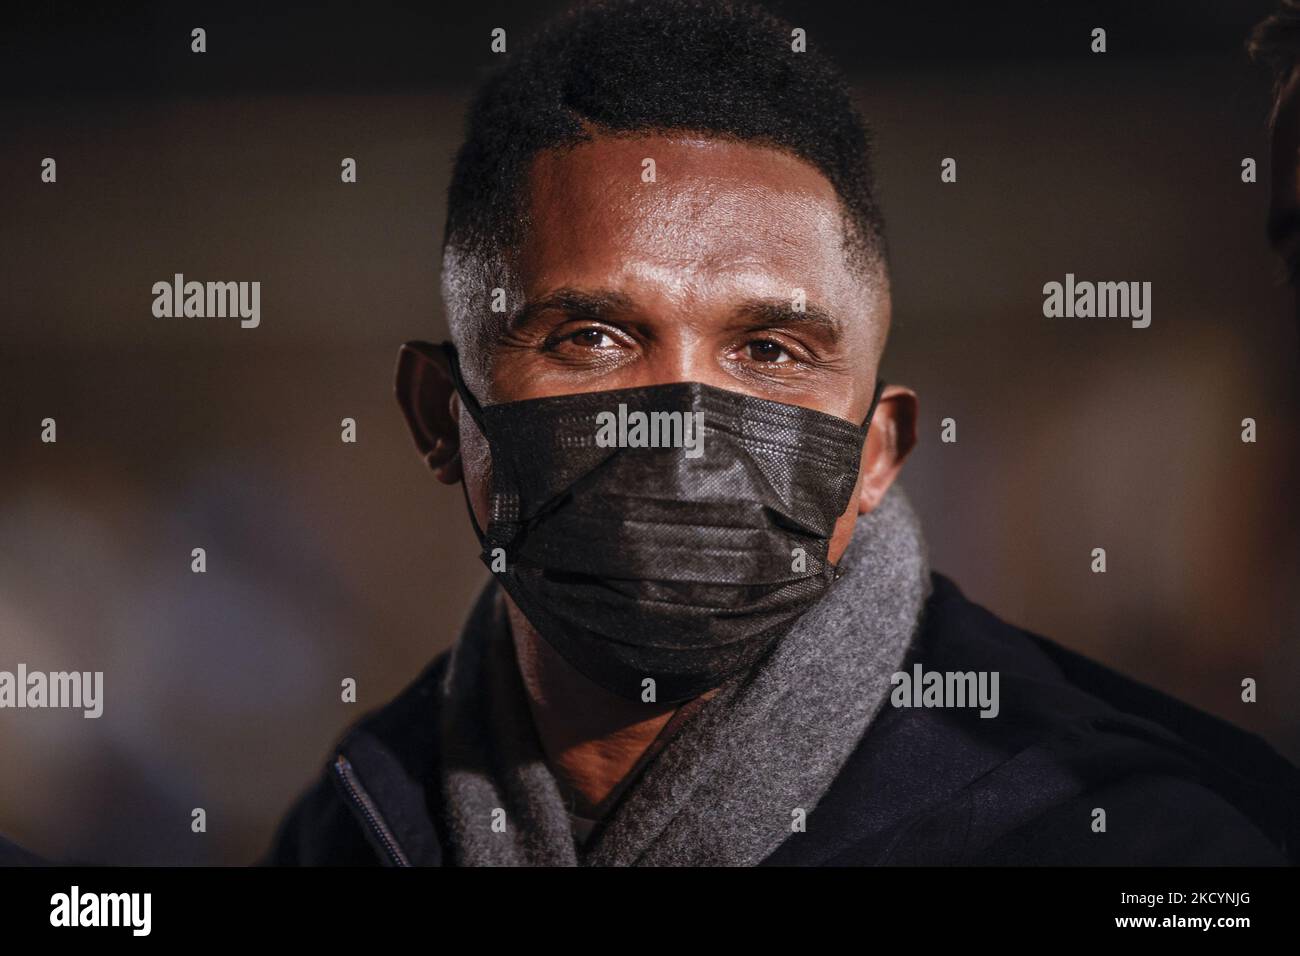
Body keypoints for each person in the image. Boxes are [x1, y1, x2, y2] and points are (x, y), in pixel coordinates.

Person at [265, 0, 1300, 866]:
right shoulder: (352, 824)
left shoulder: (1136, 837)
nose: (676, 432)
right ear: (441, 416)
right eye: (593, 336)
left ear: (877, 454)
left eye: (769, 351)